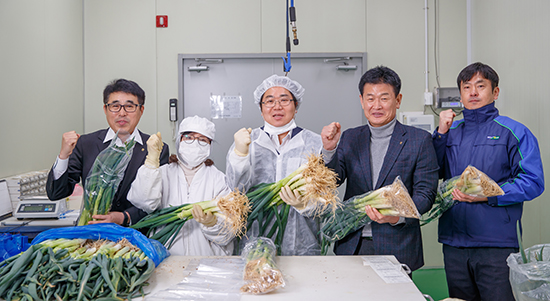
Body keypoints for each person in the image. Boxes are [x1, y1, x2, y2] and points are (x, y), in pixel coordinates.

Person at [433, 62, 544, 301]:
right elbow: (433, 172)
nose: (473, 92)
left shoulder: (514, 132)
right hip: (454, 242)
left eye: (480, 86)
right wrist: (440, 134)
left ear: (495, 92)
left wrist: (490, 194)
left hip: (496, 243)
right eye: (466, 87)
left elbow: (533, 181)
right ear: (460, 93)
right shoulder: (450, 131)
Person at [321, 66, 438, 272]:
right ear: (361, 101)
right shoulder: (351, 137)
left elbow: (426, 194)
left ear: (398, 100)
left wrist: (396, 215)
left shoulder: (419, 140)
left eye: (384, 98)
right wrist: (329, 150)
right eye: (370, 98)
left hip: (398, 244)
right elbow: (333, 181)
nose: (376, 105)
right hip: (353, 243)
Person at [46, 79, 169, 226]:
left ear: (141, 110)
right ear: (105, 109)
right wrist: (63, 155)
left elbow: (159, 199)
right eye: (115, 106)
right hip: (92, 234)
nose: (122, 113)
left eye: (129, 106)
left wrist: (125, 216)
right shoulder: (86, 144)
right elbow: (56, 194)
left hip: (135, 237)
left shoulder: (156, 148)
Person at [226, 74, 323, 255]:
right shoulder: (247, 141)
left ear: (296, 106)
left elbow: (326, 200)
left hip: (302, 246)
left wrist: (306, 204)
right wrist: (240, 155)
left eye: (284, 100)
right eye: (269, 101)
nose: (277, 106)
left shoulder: (314, 143)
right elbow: (235, 192)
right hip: (255, 243)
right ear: (261, 109)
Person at [128, 115, 234, 256]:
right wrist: (151, 161)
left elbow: (228, 233)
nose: (195, 143)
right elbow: (143, 203)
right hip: (167, 260)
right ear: (179, 141)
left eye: (202, 140)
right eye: (189, 137)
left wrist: (212, 223)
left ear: (210, 146)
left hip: (207, 262)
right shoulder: (162, 173)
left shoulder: (218, 179)